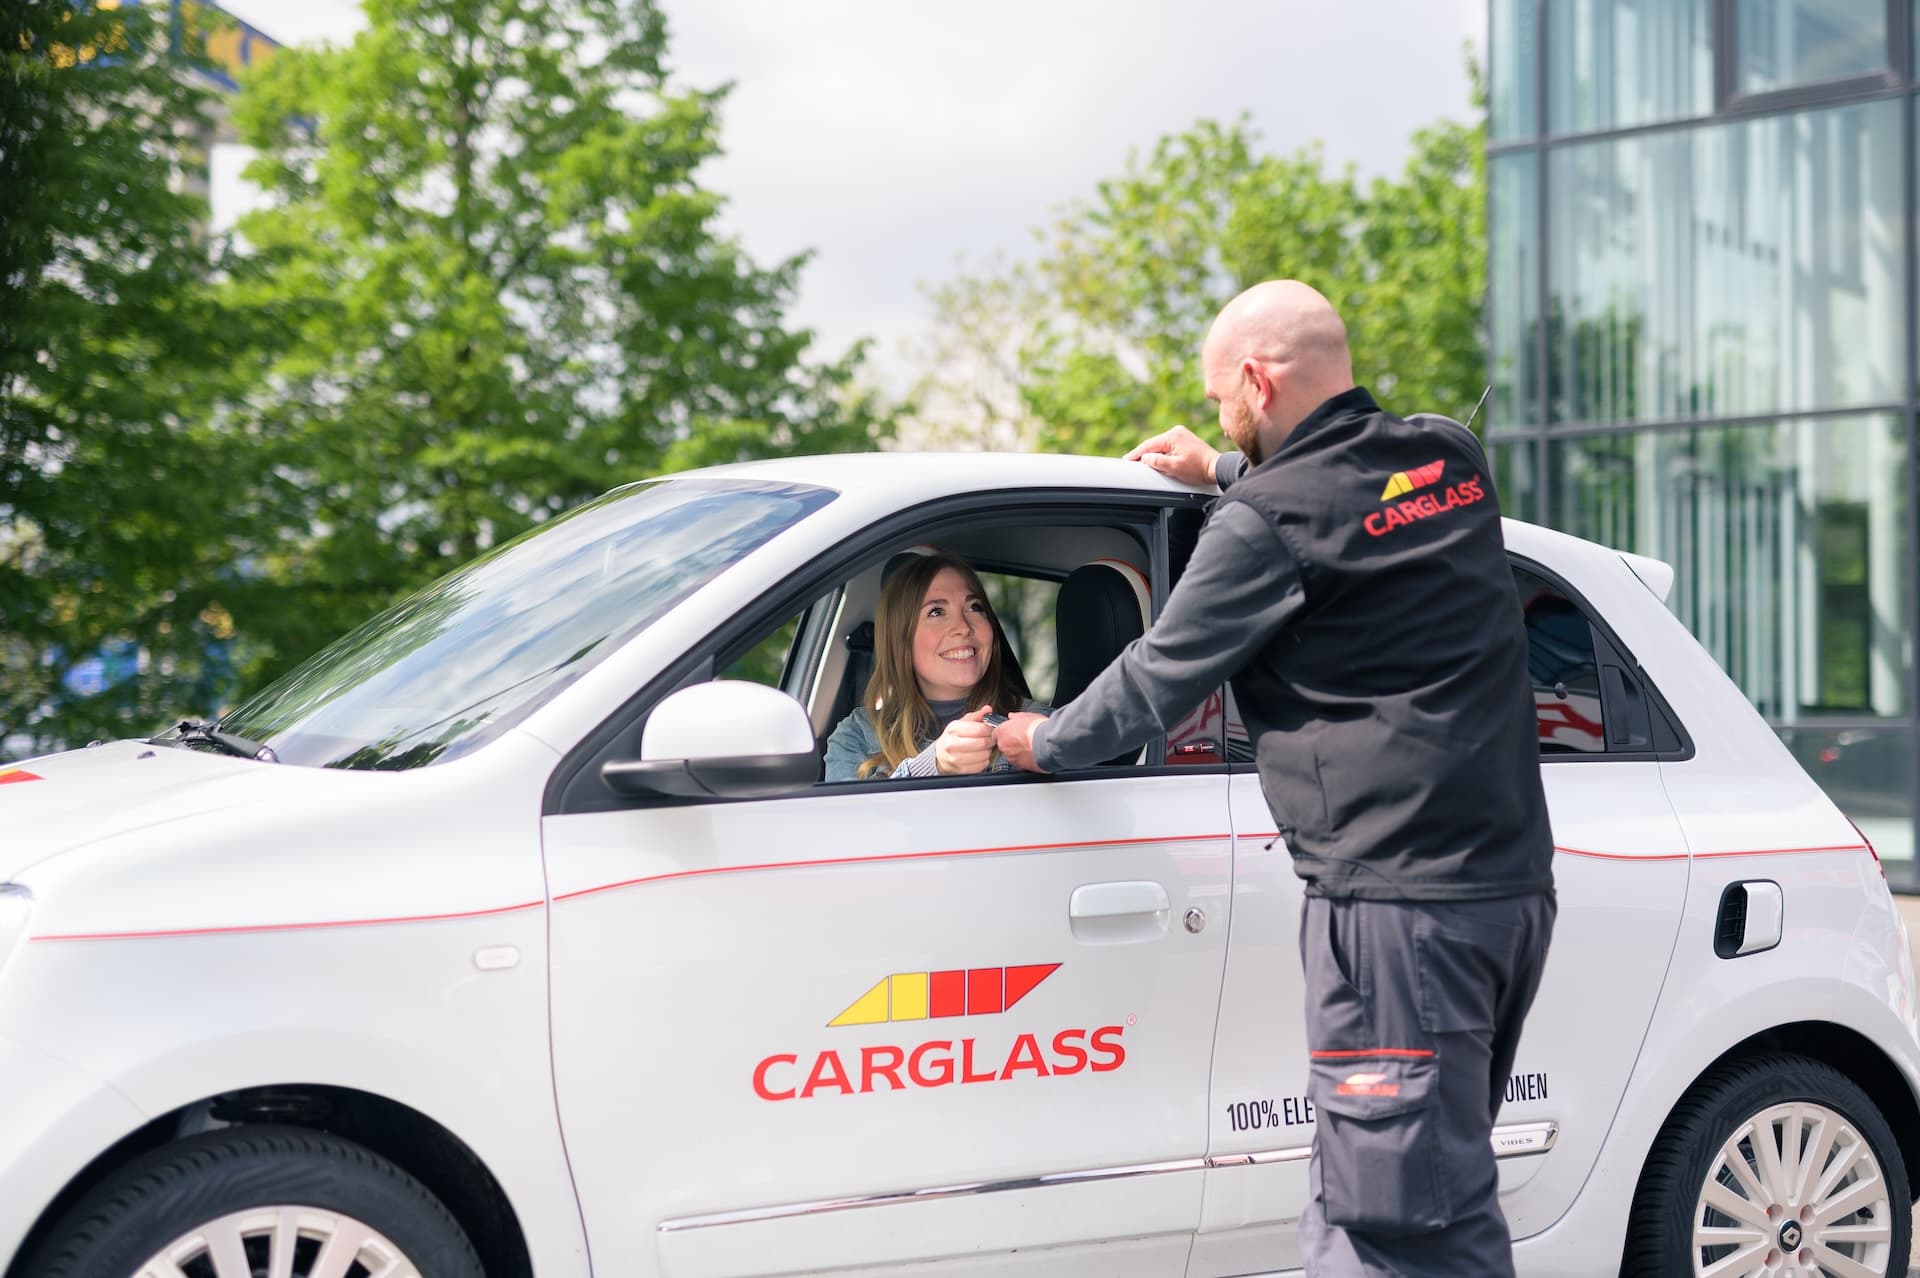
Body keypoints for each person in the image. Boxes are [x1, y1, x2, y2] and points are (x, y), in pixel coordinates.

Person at [995, 280, 1556, 1277]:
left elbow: (1157, 676)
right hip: (1506, 893)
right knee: (1376, 1195)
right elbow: (1349, 509)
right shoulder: (1448, 461)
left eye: (1223, 401)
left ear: (1256, 379)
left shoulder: (1262, 523)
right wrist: (1217, 466)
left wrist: (1041, 742)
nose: (1223, 419)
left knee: (1408, 1225)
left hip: (1397, 914)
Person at [824, 553, 1044, 781]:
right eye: (936, 612)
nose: (963, 627)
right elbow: (852, 817)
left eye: (974, 607)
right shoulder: (857, 735)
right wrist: (932, 765)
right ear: (900, 640)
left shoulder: (1038, 726)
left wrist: (1046, 748)